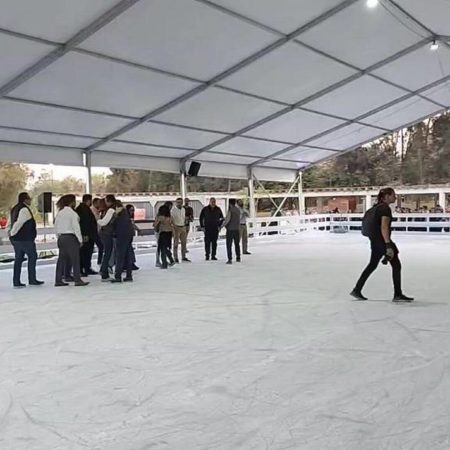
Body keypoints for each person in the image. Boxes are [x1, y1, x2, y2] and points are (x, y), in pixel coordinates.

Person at [350, 187, 414, 302]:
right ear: (387, 196)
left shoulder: (374, 208)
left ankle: (357, 289)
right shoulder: (385, 209)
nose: (395, 197)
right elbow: (384, 227)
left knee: (372, 265)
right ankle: (398, 294)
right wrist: (388, 244)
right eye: (393, 195)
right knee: (396, 264)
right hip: (382, 240)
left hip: (374, 240)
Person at [9, 192, 44, 288]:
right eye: (29, 198)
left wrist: (11, 234)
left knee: (18, 259)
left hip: (17, 239)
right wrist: (12, 232)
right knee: (32, 257)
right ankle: (32, 279)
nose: (31, 200)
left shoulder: (15, 208)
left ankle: (16, 281)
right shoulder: (24, 209)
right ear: (25, 199)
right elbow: (18, 223)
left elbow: (12, 222)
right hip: (25, 239)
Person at [54, 194, 89, 287]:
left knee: (61, 260)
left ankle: (58, 280)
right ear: (71, 202)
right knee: (75, 259)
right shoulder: (72, 213)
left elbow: (56, 225)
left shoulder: (60, 213)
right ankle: (77, 279)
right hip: (70, 237)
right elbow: (76, 227)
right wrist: (80, 239)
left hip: (61, 237)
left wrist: (58, 236)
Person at [111, 201, 134, 283]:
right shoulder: (125, 214)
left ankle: (118, 276)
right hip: (128, 236)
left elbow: (112, 224)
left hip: (121, 236)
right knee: (128, 256)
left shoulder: (118, 214)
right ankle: (129, 275)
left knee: (119, 257)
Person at [76, 194, 98, 276]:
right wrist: (85, 234)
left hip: (88, 234)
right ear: (89, 200)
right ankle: (83, 268)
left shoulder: (83, 208)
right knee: (85, 252)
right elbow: (84, 223)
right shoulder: (83, 209)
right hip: (87, 235)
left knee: (87, 252)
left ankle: (86, 267)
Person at [98, 194, 117, 281]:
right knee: (108, 254)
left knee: (107, 253)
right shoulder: (111, 210)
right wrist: (98, 220)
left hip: (105, 233)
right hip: (107, 233)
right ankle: (104, 273)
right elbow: (103, 222)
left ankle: (103, 270)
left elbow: (103, 222)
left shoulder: (108, 210)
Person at [154, 204, 175, 269]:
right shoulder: (170, 217)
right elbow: (173, 224)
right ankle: (171, 260)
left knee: (162, 249)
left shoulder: (160, 217)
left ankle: (164, 263)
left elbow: (155, 225)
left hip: (163, 233)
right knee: (167, 248)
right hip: (169, 233)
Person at [171, 197, 190, 263]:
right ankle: (175, 257)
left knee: (184, 243)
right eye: (178, 202)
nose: (180, 204)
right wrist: (174, 227)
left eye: (181, 202)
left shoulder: (183, 209)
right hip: (176, 227)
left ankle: (183, 257)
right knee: (176, 243)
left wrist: (185, 223)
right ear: (176, 202)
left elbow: (184, 217)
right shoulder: (173, 210)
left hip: (183, 227)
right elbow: (171, 219)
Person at [223, 199, 241, 265]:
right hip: (237, 229)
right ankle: (238, 257)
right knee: (237, 244)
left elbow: (227, 220)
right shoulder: (238, 210)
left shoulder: (230, 210)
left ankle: (229, 259)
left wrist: (222, 226)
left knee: (229, 245)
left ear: (230, 203)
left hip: (230, 230)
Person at [126, 204, 139, 271]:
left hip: (130, 235)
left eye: (133, 210)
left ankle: (130, 263)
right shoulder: (126, 217)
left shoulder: (130, 217)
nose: (132, 212)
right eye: (131, 210)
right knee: (129, 250)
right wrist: (138, 229)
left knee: (129, 250)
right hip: (127, 235)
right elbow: (132, 225)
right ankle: (130, 263)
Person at [91, 197, 104, 266]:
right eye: (99, 203)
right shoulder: (92, 211)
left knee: (101, 246)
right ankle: (99, 261)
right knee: (101, 246)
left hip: (97, 231)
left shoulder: (97, 211)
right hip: (94, 232)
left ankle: (100, 261)